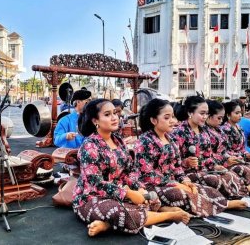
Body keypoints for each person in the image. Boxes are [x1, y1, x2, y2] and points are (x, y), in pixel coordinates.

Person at [73, 99, 189, 237]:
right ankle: (169, 215)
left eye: (115, 113)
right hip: (91, 197)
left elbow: (130, 171)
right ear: (95, 121)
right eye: (107, 114)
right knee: (121, 212)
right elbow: (96, 183)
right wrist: (127, 194)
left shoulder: (118, 141)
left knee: (150, 198)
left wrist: (138, 188)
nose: (114, 117)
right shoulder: (89, 146)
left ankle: (109, 224)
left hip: (120, 190)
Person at [135, 98, 228, 217]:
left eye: (173, 117)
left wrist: (186, 181)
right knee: (179, 194)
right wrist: (175, 184)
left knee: (204, 189)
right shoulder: (144, 142)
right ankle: (164, 209)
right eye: (167, 117)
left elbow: (177, 166)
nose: (173, 121)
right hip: (153, 186)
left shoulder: (171, 139)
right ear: (153, 120)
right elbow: (147, 175)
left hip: (174, 181)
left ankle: (220, 204)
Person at [170, 96, 248, 209]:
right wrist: (186, 162)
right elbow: (174, 162)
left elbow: (209, 155)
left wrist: (216, 165)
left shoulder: (204, 131)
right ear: (190, 112)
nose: (205, 117)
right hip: (187, 173)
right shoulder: (179, 133)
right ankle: (226, 203)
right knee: (214, 180)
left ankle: (241, 190)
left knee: (227, 174)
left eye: (206, 113)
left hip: (205, 168)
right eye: (202, 113)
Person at [205, 100, 250, 192]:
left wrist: (244, 155)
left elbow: (224, 151)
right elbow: (211, 155)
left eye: (241, 112)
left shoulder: (223, 130)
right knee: (237, 171)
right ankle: (245, 189)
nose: (240, 115)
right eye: (237, 113)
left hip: (224, 160)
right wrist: (227, 161)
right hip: (211, 165)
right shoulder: (224, 129)